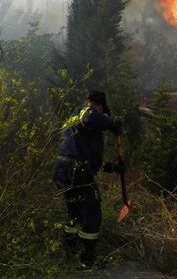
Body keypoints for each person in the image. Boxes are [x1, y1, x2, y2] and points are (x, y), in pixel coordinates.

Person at [53, 90, 122, 268]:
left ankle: (70, 254)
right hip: (76, 171)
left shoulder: (73, 120)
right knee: (92, 213)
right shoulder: (87, 112)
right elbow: (90, 117)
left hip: (64, 170)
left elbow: (86, 155)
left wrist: (112, 167)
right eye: (102, 111)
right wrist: (112, 123)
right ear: (99, 105)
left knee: (74, 212)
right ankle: (87, 260)